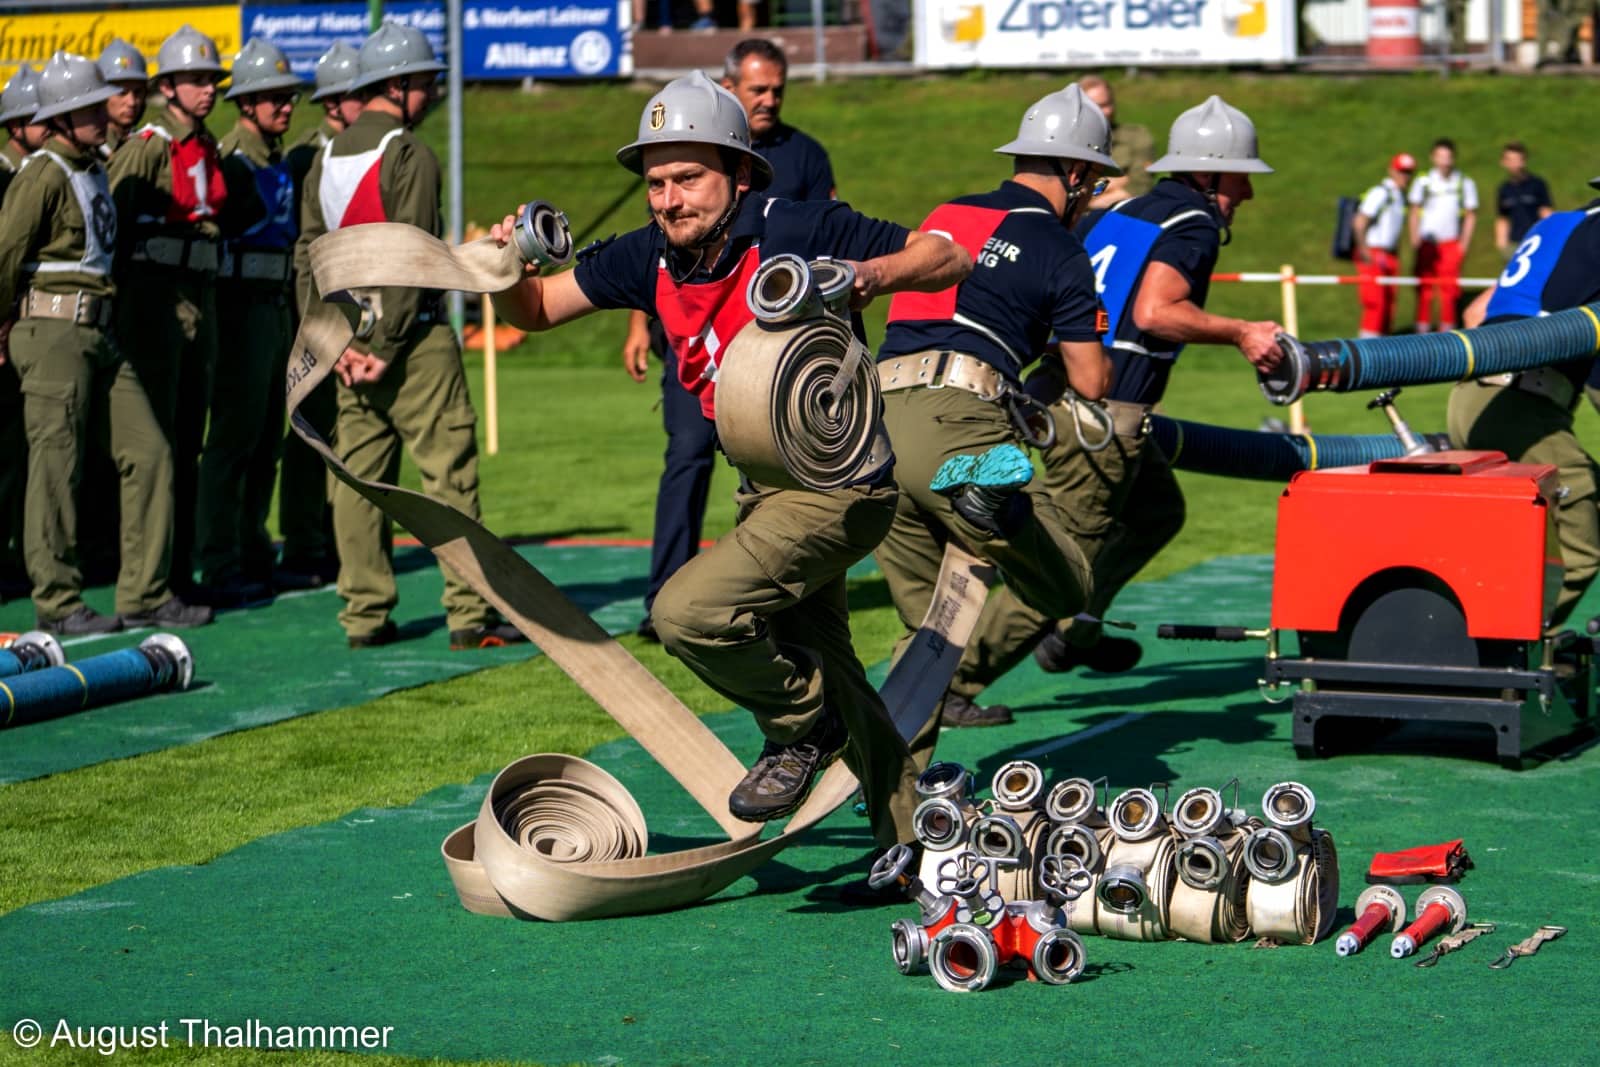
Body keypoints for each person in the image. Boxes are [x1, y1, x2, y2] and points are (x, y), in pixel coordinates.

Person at [489, 71, 969, 844]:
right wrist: (503, 268)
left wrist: (864, 275)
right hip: (764, 489)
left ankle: (798, 727)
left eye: (688, 179)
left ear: (739, 174)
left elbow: (947, 255)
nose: (669, 199)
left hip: (842, 482)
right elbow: (539, 309)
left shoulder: (796, 224)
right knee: (836, 668)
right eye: (656, 183)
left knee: (686, 612)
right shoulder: (649, 252)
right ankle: (916, 843)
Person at [949, 96, 1284, 718]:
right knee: (1057, 558)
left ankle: (1076, 629)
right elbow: (1158, 311)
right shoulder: (1194, 225)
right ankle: (955, 685)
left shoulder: (1129, 207)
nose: (1248, 194)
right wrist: (1242, 332)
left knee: (1158, 511)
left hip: (1062, 394)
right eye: (1241, 178)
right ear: (1209, 175)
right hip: (1106, 416)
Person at [872, 84, 1114, 731]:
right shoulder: (1062, 248)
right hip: (957, 422)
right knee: (1068, 584)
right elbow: (1091, 379)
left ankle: (902, 811)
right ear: (1079, 171)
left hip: (875, 426)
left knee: (927, 641)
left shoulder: (948, 210)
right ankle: (992, 502)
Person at [297, 22, 527, 651]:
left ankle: (365, 616)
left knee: (359, 485)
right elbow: (415, 256)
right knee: (447, 477)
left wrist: (331, 343)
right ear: (397, 86)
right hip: (412, 342)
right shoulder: (410, 154)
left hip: (345, 342)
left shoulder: (325, 156)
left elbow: (308, 257)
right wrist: (387, 345)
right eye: (425, 84)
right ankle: (468, 616)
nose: (430, 96)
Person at [621, 38, 836, 643]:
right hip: (694, 343)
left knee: (781, 473)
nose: (768, 100)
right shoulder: (689, 141)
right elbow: (659, 242)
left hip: (770, 353)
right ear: (729, 87)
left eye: (776, 90)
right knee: (686, 458)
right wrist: (639, 321)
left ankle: (781, 598)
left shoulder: (805, 155)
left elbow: (825, 234)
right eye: (756, 90)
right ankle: (664, 594)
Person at [0, 51, 198, 635]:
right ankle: (58, 602)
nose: (98, 113)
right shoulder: (42, 173)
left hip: (100, 329)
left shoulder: (92, 167)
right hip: (54, 329)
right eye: (84, 107)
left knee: (151, 451)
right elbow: (5, 254)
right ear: (58, 118)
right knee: (56, 462)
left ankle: (144, 592)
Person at [107, 24, 230, 620]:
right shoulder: (148, 147)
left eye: (212, 81)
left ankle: (176, 576)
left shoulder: (204, 145)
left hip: (197, 301)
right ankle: (146, 585)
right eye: (195, 80)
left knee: (187, 446)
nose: (207, 90)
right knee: (154, 452)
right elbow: (110, 228)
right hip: (153, 306)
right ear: (168, 88)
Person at [1448, 182, 1600, 630]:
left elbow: (1477, 313)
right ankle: (1514, 652)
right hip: (1522, 403)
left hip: (1474, 396)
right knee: (1582, 546)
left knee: (1511, 540)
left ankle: (1489, 637)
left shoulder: (1559, 226)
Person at [193, 38, 306, 603]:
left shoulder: (275, 156)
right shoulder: (232, 159)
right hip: (240, 308)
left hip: (276, 306)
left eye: (288, 96)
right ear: (245, 103)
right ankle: (217, 559)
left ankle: (252, 544)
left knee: (267, 439)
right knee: (233, 438)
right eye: (273, 97)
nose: (286, 105)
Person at [278, 40, 364, 589]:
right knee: (308, 429)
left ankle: (343, 545)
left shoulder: (373, 151)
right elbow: (305, 245)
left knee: (351, 430)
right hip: (318, 309)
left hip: (362, 308)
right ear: (335, 104)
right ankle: (305, 543)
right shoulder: (310, 157)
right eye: (362, 95)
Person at [1408, 137, 1477, 333]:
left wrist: (1463, 244)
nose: (1445, 161)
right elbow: (1414, 211)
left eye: (1448, 157)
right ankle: (1420, 338)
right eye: (1440, 156)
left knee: (1449, 293)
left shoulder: (1464, 183)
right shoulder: (1423, 182)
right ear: (1433, 158)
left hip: (1450, 244)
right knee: (1425, 291)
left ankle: (1447, 338)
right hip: (1428, 244)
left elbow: (1471, 214)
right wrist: (1415, 239)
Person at [1353, 152, 1415, 338]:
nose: (1405, 176)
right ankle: (1365, 352)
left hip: (1390, 254)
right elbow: (1359, 221)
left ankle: (1383, 352)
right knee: (1375, 304)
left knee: (1389, 305)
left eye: (1409, 172)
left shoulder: (1398, 196)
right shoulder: (1380, 192)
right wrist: (1364, 250)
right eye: (1401, 171)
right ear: (1392, 171)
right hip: (1374, 251)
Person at [1078, 74, 1154, 210]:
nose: (1108, 111)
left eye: (1109, 103)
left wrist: (1085, 203)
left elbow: (1139, 186)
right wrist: (1120, 180)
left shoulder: (1136, 137)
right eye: (1099, 106)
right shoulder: (1068, 141)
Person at [1495, 141, 1553, 258]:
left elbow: (1546, 213)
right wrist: (1501, 244)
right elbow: (1502, 218)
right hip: (1514, 244)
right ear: (1504, 162)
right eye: (1510, 160)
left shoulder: (1537, 184)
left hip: (1535, 241)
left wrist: (1549, 238)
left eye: (1517, 159)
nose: (1514, 164)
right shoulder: (1504, 189)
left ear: (1524, 161)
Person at [96, 38, 149, 158]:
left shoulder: (148, 145)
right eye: (122, 93)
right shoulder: (90, 152)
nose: (131, 102)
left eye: (138, 92)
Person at [1, 65, 49, 185]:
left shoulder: (47, 163)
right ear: (14, 126)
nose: (50, 127)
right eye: (39, 120)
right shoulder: (4, 173)